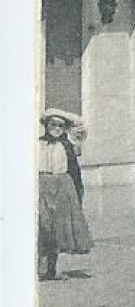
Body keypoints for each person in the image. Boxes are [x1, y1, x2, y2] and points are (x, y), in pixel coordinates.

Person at [38, 108, 92, 281]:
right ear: (46, 125)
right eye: (53, 124)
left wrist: (61, 116)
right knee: (42, 227)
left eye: (61, 126)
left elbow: (81, 125)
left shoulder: (68, 143)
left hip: (62, 187)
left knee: (57, 229)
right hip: (42, 186)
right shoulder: (37, 143)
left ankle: (51, 270)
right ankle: (39, 269)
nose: (56, 129)